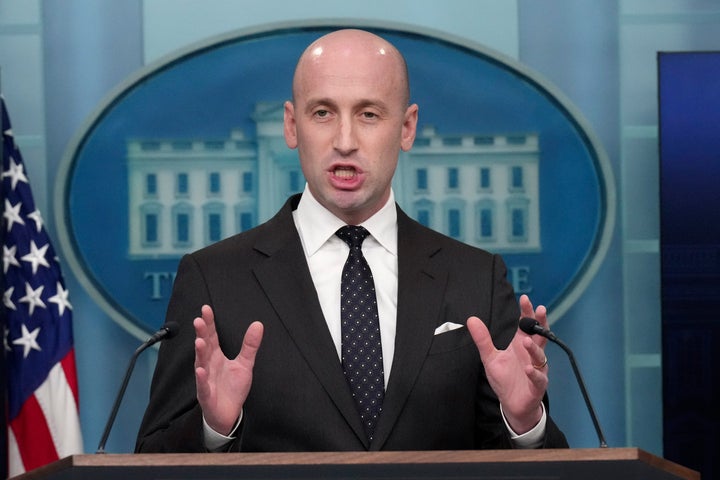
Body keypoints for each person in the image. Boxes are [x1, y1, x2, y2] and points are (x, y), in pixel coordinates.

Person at [135, 28, 568, 452]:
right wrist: (214, 429)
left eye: (369, 114)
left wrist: (524, 424)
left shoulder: (477, 279)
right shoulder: (214, 279)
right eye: (323, 113)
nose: (345, 142)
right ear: (291, 125)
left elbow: (541, 466)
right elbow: (152, 459)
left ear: (407, 127)